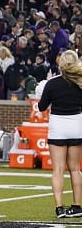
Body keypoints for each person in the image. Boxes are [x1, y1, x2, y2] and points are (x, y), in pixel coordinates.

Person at [39, 50, 82, 218]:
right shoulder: (80, 83)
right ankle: (77, 206)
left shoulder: (52, 83)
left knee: (57, 169)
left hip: (58, 125)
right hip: (77, 124)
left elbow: (42, 107)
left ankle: (59, 208)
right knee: (75, 169)